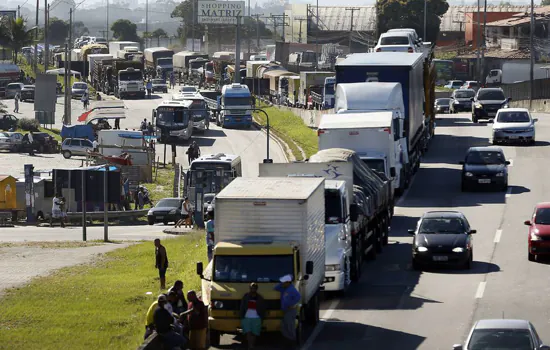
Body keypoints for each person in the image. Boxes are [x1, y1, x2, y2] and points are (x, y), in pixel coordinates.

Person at [274, 274, 301, 347]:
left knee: (290, 326)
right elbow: (275, 288)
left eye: (284, 282)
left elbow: (298, 297)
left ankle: (292, 342)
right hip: (285, 311)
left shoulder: (292, 289)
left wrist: (292, 304)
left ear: (288, 282)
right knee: (284, 326)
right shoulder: (284, 288)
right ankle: (288, 341)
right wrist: (281, 284)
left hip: (290, 311)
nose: (282, 283)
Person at [240, 283, 266, 349]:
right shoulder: (246, 296)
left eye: (254, 288)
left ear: (256, 289)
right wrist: (242, 315)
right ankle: (250, 346)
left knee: (254, 333)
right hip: (247, 317)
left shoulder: (260, 298)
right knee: (248, 332)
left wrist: (262, 317)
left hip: (256, 318)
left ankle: (252, 345)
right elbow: (242, 306)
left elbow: (263, 308)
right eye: (251, 288)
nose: (252, 289)